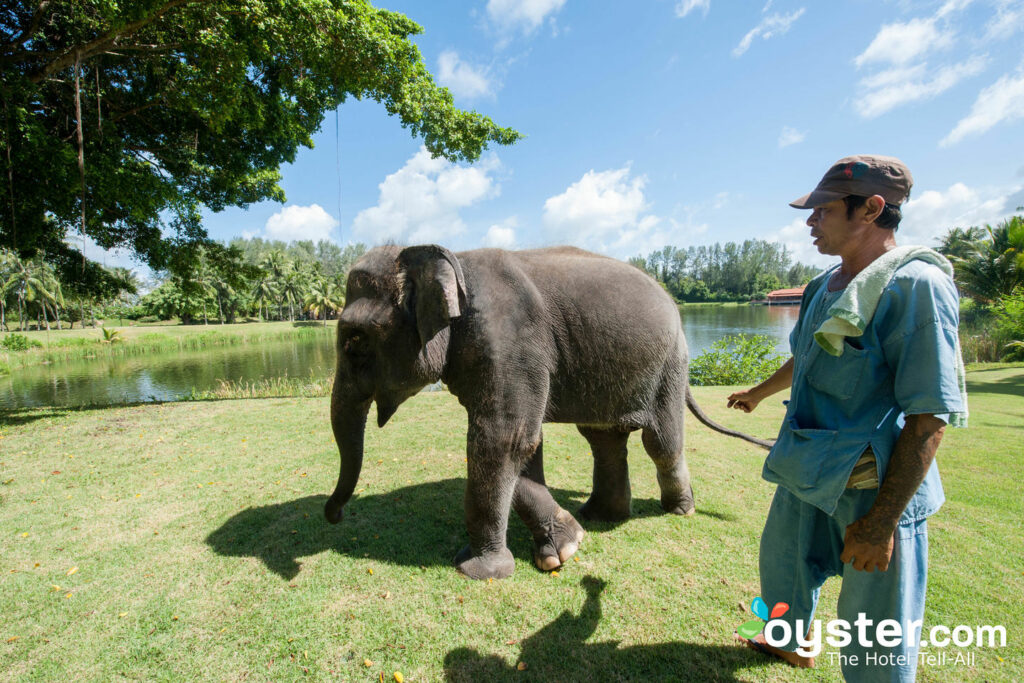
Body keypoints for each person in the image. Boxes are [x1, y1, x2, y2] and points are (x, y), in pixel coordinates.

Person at [728, 155, 967, 682]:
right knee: (782, 571)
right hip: (806, 467)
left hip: (869, 488)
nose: (810, 221)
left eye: (822, 210)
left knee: (875, 629)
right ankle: (789, 645)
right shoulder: (823, 287)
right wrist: (760, 393)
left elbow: (929, 419)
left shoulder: (915, 289)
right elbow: (807, 355)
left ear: (873, 208)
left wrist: (881, 524)